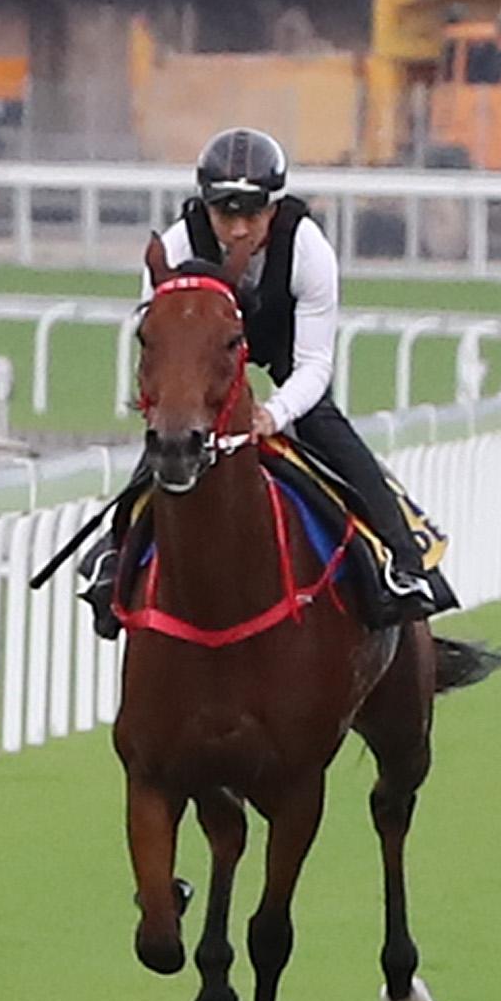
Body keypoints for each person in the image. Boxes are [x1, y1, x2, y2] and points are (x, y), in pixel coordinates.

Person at [98, 123, 452, 633]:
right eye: (225, 214)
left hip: (286, 342)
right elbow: (163, 343)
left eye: (253, 214)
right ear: (205, 206)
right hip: (208, 347)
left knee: (330, 433)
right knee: (167, 448)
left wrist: (275, 414)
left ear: (275, 206)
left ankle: (403, 565)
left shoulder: (308, 248)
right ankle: (113, 565)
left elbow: (315, 364)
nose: (239, 230)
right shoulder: (176, 245)